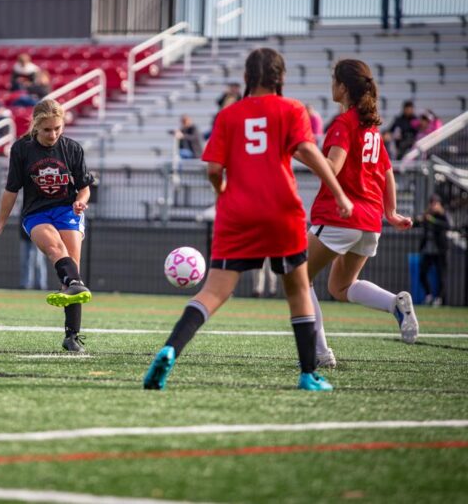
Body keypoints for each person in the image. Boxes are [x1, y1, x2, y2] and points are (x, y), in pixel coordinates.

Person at [144, 48, 353, 392]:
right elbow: (308, 152)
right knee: (298, 290)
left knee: (212, 292)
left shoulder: (229, 115)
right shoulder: (292, 109)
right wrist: (339, 194)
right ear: (280, 78)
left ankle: (170, 349)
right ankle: (307, 374)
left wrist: (222, 190)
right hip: (281, 210)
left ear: (246, 78)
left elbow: (213, 168)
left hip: (236, 213)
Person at [307, 59, 418, 370]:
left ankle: (320, 353)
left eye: (333, 80)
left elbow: (332, 168)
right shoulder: (370, 129)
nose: (331, 85)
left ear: (343, 88)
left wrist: (299, 150)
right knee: (339, 287)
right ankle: (394, 303)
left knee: (297, 278)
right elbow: (386, 171)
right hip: (370, 223)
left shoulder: (344, 124)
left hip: (341, 216)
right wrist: (391, 212)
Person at [0, 99, 94, 352]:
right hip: (36, 213)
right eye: (47, 129)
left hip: (67, 210)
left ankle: (72, 336)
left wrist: (80, 202)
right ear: (35, 126)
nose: (53, 134)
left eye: (57, 128)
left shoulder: (73, 149)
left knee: (73, 272)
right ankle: (71, 284)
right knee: (56, 249)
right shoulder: (22, 149)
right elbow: (12, 190)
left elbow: (85, 188)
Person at [415, 194, 450, 307]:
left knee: (441, 275)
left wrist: (433, 219)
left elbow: (448, 226)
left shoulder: (442, 215)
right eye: (432, 203)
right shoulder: (427, 215)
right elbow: (416, 223)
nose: (433, 206)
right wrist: (419, 219)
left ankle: (439, 298)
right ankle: (429, 295)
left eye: (435, 203)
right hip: (428, 251)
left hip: (440, 251)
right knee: (422, 274)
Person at [19, 223, 48, 290]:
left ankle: (41, 284)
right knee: (26, 262)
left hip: (38, 236)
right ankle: (26, 284)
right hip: (25, 237)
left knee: (38, 261)